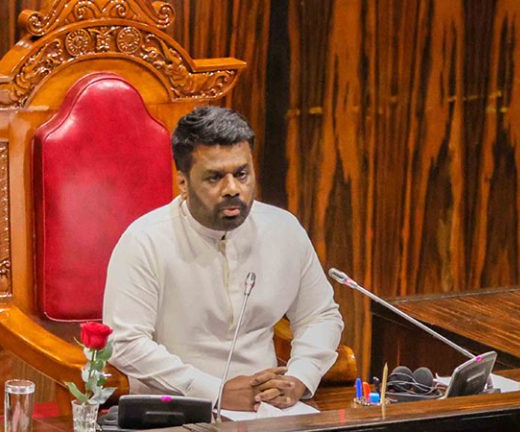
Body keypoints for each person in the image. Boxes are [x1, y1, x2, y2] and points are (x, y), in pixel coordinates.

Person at [103, 106, 343, 411]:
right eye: (215, 177)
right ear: (183, 183)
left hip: (268, 411)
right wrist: (213, 392)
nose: (233, 189)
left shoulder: (283, 230)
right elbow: (124, 342)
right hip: (176, 409)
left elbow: (320, 315)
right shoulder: (145, 240)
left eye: (241, 174)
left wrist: (299, 377)